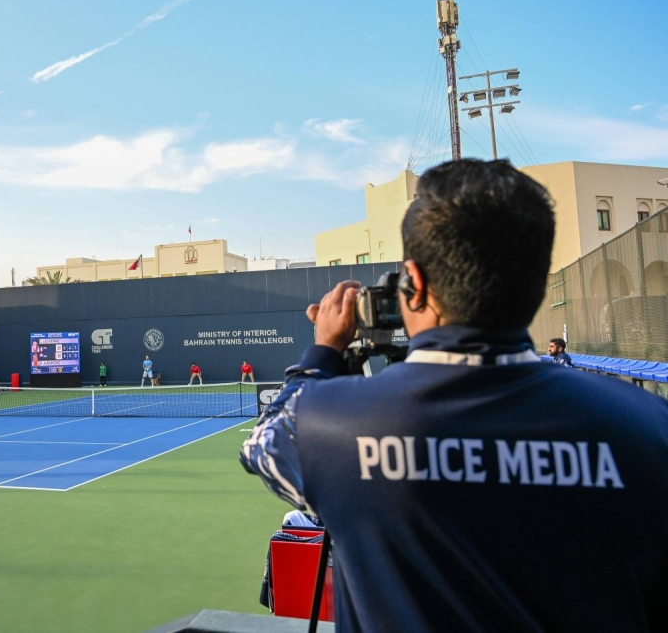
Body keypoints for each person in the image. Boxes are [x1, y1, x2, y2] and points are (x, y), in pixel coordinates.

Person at [240, 159, 668, 632]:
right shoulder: (650, 426)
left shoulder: (330, 425)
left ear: (414, 284)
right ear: (536, 279)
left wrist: (322, 353)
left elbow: (263, 443)